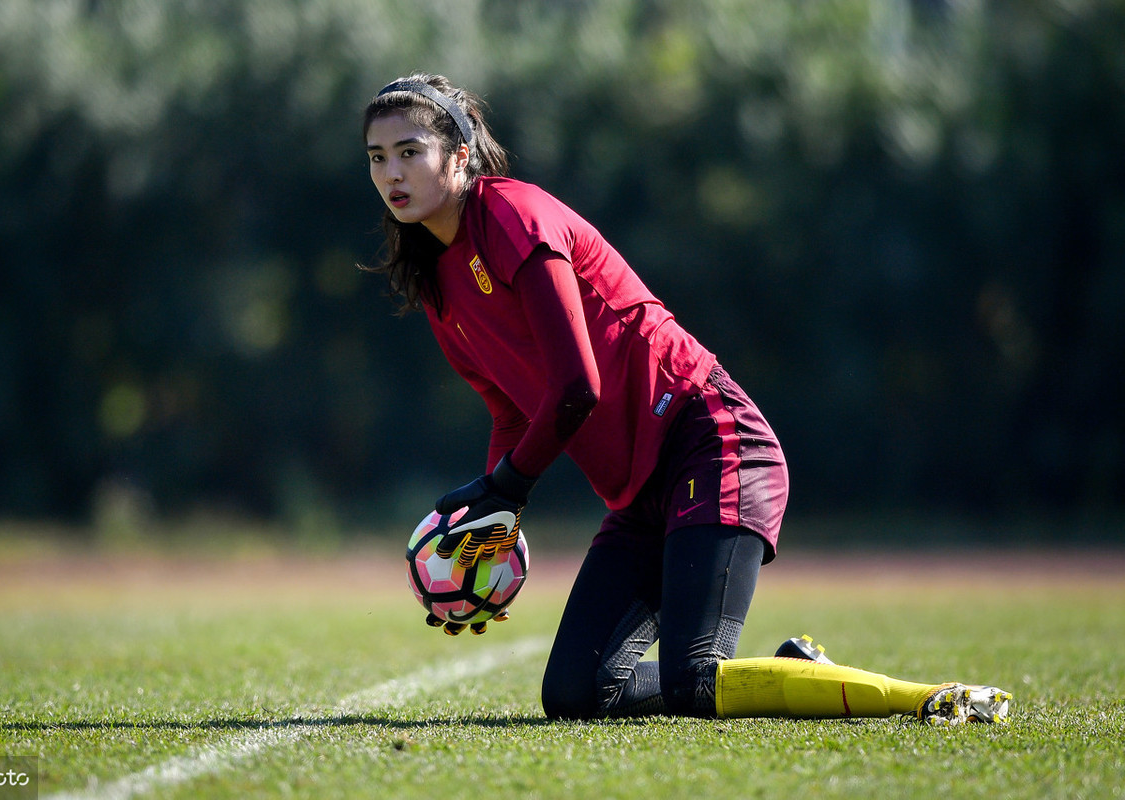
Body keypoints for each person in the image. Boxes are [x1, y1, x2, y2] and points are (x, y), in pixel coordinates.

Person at [361, 73, 1011, 725]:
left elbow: (574, 388)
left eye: (411, 151)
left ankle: (931, 698)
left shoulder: (511, 215)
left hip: (712, 445)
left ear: (461, 155)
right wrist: (492, 526)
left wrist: (507, 487)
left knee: (695, 678)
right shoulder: (440, 281)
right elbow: (511, 412)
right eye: (378, 157)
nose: (394, 172)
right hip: (640, 496)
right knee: (575, 694)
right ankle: (795, 673)